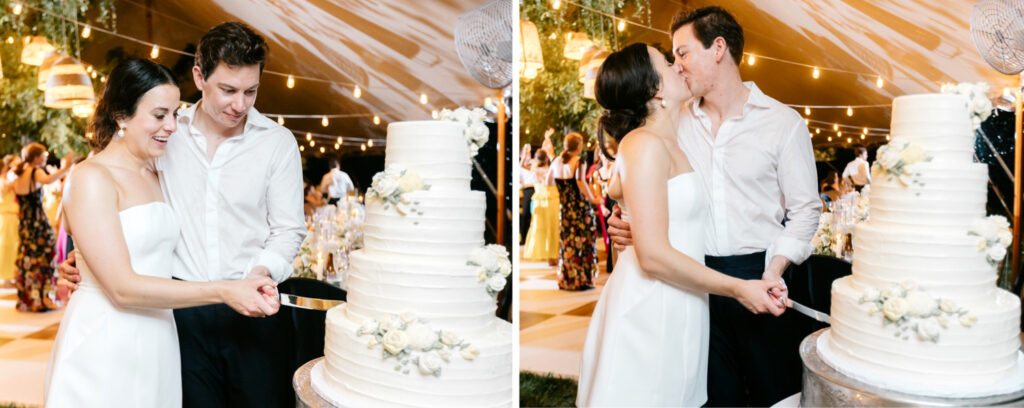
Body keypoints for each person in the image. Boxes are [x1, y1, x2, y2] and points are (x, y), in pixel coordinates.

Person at [59, 22, 306, 407]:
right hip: (179, 315)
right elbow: (119, 205)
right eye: (228, 90)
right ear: (199, 76)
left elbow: (289, 230)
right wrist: (89, 259)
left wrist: (257, 275)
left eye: (250, 91)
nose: (239, 104)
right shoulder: (164, 137)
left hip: (253, 312)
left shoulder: (277, 143)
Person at [606, 7, 821, 406]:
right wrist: (623, 218)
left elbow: (806, 210)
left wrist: (774, 267)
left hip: (760, 275)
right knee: (709, 397)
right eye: (673, 59)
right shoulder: (673, 121)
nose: (678, 66)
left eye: (683, 53)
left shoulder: (783, 122)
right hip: (694, 282)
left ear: (718, 48)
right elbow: (640, 179)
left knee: (775, 395)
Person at [576, 43, 788, 407]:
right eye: (667, 62)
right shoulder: (642, 143)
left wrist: (625, 214)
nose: (679, 66)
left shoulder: (672, 138)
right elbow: (654, 256)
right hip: (649, 307)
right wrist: (739, 288)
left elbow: (628, 195)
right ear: (654, 90)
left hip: (683, 301)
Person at [12, 143, 73, 311]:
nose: (46, 158)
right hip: (38, 224)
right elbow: (48, 180)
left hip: (25, 224)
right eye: (44, 155)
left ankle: (28, 300)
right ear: (37, 157)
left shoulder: (19, 174)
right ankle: (42, 299)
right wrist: (65, 168)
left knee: (28, 260)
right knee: (45, 258)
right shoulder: (34, 171)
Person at [547, 132, 601, 290]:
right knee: (583, 242)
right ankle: (582, 279)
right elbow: (580, 182)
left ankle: (567, 279)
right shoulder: (579, 161)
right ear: (578, 145)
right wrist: (593, 198)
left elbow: (548, 182)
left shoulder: (557, 161)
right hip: (579, 209)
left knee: (568, 243)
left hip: (564, 210)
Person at [522, 149, 558, 264]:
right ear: (546, 158)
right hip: (552, 200)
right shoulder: (551, 170)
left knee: (539, 227)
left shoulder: (534, 170)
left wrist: (524, 154)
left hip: (539, 201)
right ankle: (552, 257)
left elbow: (522, 165)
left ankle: (544, 253)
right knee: (552, 227)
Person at [0, 155, 19, 288]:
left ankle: (10, 275)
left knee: (13, 246)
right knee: (5, 246)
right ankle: (4, 276)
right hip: (6, 216)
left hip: (13, 216)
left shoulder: (8, 179)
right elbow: (4, 191)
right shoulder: (3, 181)